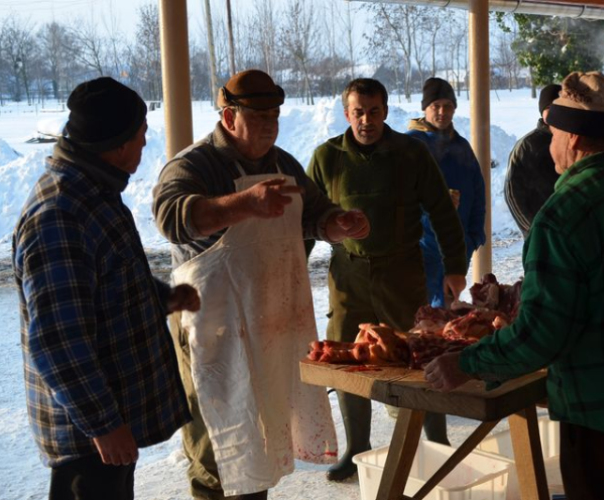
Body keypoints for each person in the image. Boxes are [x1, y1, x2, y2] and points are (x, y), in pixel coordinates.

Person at [424, 72, 604, 500]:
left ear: (572, 138)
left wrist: (467, 363)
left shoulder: (563, 214)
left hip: (599, 418)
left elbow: (541, 335)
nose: (549, 143)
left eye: (552, 132)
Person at [152, 69, 369, 500]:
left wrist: (336, 224)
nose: (271, 125)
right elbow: (170, 217)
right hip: (212, 331)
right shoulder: (193, 165)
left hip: (268, 323)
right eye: (259, 117)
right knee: (219, 444)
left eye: (275, 116)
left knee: (262, 440)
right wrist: (242, 205)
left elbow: (314, 211)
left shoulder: (283, 164)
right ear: (229, 117)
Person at [12, 77, 199, 500]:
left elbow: (107, 282)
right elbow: (58, 341)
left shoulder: (92, 192)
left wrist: (162, 297)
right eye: (140, 136)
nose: (145, 145)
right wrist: (103, 424)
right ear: (115, 145)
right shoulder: (59, 215)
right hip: (87, 436)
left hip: (106, 423)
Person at [307, 78, 468, 482]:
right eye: (358, 112)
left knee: (419, 356)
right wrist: (291, 270)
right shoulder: (327, 158)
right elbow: (306, 222)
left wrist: (455, 265)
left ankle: (437, 441)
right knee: (345, 361)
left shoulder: (411, 153)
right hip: (349, 275)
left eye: (374, 111)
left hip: (402, 271)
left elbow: (442, 212)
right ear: (347, 113)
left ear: (386, 111)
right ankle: (357, 447)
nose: (366, 120)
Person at [407, 77, 486, 309]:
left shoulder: (461, 145)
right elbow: (400, 196)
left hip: (459, 247)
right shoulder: (412, 145)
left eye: (448, 106)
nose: (442, 112)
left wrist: (473, 236)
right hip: (423, 249)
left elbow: (478, 194)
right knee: (422, 315)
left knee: (448, 314)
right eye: (435, 106)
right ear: (425, 108)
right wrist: (433, 203)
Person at [504, 84, 561, 235]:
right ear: (542, 111)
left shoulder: (573, 141)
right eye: (549, 107)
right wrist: (534, 230)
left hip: (568, 233)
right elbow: (512, 193)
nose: (555, 111)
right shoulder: (527, 146)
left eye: (559, 106)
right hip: (539, 231)